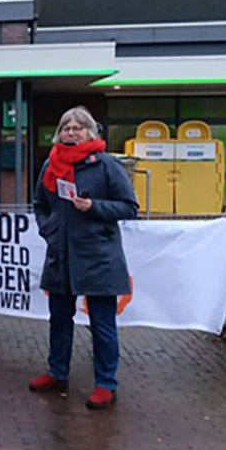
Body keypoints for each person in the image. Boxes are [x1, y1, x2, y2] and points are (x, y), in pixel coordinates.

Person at [29, 106, 139, 409]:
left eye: (78, 127)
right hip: (61, 255)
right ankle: (57, 372)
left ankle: (106, 383)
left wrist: (94, 207)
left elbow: (130, 206)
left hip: (98, 256)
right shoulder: (51, 165)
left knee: (102, 324)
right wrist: (48, 230)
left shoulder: (106, 165)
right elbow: (40, 204)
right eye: (66, 128)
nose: (71, 132)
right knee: (59, 320)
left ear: (90, 132)